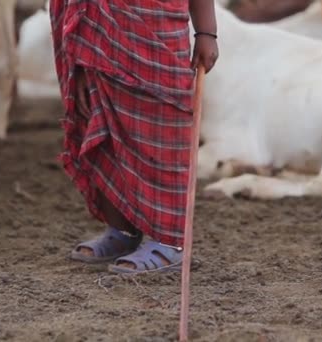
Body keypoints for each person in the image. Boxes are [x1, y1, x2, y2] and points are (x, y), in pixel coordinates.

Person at [49, 0, 219, 274]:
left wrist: (206, 33)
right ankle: (123, 231)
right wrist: (80, 58)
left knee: (163, 135)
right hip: (97, 37)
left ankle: (170, 241)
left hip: (157, 29)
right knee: (100, 125)